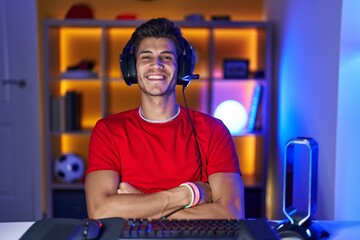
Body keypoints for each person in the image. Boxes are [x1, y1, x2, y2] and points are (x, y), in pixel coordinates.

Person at [85, 17, 245, 220]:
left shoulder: (214, 130)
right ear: (132, 70)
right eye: (146, 57)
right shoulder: (107, 130)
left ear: (182, 69)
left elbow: (231, 213)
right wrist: (190, 193)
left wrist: (139, 205)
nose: (157, 65)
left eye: (167, 57)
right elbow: (100, 211)